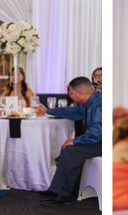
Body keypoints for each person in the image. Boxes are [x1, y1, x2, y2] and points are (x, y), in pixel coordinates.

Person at [37, 76, 103, 205]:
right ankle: (57, 189)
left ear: (79, 93)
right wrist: (48, 110)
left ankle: (62, 193)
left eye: (70, 93)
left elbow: (98, 133)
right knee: (68, 149)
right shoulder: (89, 102)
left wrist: (76, 141)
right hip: (98, 140)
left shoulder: (99, 104)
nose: (69, 95)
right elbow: (73, 112)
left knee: (71, 151)